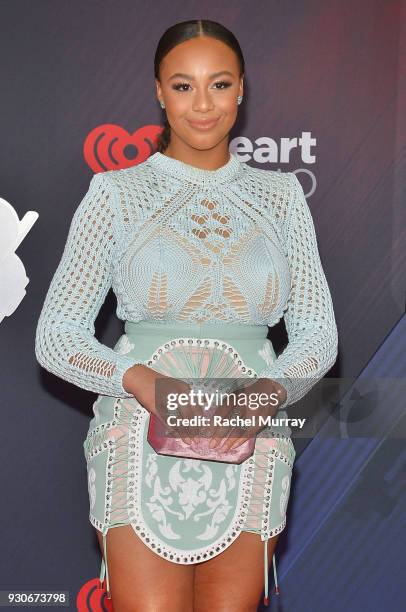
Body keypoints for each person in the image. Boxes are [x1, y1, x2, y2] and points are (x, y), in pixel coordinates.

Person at [35, 19, 338, 612]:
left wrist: (265, 395)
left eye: (219, 84)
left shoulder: (282, 199)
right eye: (183, 86)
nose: (202, 104)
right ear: (157, 90)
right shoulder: (115, 194)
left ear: (242, 90)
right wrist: (146, 384)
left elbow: (317, 333)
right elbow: (57, 335)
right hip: (139, 437)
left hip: (251, 437)